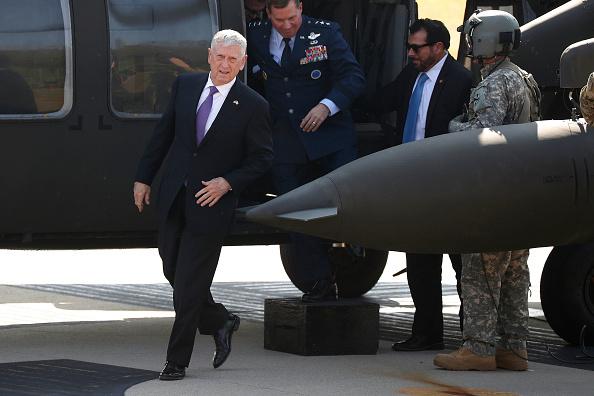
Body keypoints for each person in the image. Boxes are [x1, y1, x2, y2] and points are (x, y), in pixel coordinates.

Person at [133, 29, 273, 380]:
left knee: (190, 284)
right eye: (220, 56)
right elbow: (163, 135)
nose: (225, 65)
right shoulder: (185, 85)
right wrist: (143, 177)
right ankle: (220, 321)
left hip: (212, 205)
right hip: (174, 195)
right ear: (209, 55)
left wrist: (228, 183)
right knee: (172, 270)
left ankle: (176, 361)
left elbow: (262, 158)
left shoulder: (254, 105)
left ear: (242, 64)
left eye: (233, 60)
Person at [434, 10, 540, 371]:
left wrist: (452, 125)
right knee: (514, 274)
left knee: (479, 270)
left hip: (493, 194)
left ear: (485, 40)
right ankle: (514, 349)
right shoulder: (523, 78)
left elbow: (483, 134)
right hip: (521, 194)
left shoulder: (493, 83)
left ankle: (477, 349)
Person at [247, 0, 366, 302]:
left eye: (292, 18)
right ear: (267, 15)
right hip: (285, 140)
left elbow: (353, 78)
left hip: (329, 135)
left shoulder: (325, 33)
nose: (286, 26)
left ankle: (356, 239)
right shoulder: (255, 34)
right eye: (279, 21)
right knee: (296, 213)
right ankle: (317, 280)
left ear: (300, 7)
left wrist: (326, 106)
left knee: (346, 198)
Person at [372, 19, 471, 352]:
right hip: (412, 182)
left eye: (417, 47)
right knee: (419, 261)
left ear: (439, 48)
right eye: (409, 47)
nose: (411, 52)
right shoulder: (411, 74)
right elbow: (379, 101)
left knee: (461, 264)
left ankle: (471, 337)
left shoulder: (462, 80)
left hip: (450, 186)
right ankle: (427, 333)